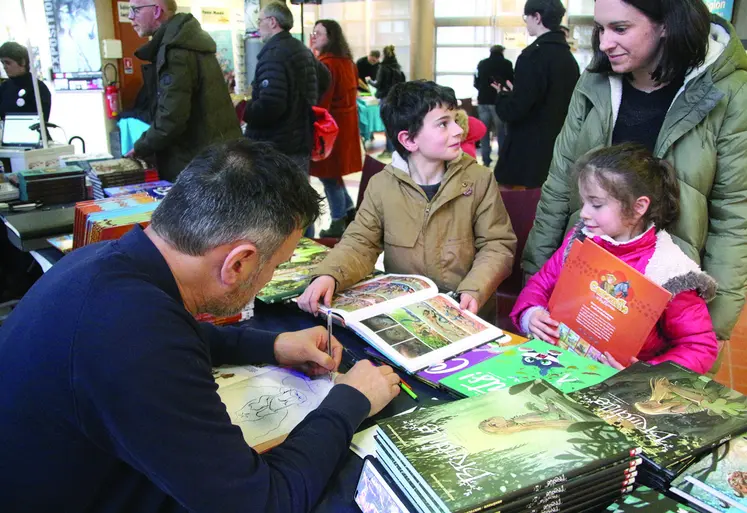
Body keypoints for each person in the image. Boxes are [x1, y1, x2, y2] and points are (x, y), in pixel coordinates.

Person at [0, 139, 401, 512]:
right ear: (239, 263)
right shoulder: (137, 340)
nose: (270, 277)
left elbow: (180, 333)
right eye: (275, 266)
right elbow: (263, 503)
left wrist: (274, 346)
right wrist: (351, 399)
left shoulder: (105, 263)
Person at [523, 0, 747, 357]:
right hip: (586, 280)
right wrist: (536, 282)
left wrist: (714, 327)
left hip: (668, 301)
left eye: (620, 29)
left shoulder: (730, 91)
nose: (604, 43)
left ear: (666, 25)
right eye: (600, 28)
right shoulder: (593, 83)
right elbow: (559, 185)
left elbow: (735, 215)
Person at [297, 81, 517, 320]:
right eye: (443, 124)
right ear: (409, 140)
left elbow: (497, 245)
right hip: (406, 314)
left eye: (454, 119)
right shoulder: (382, 186)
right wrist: (330, 275)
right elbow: (360, 243)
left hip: (466, 313)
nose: (458, 130)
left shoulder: (478, 179)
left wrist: (473, 289)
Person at [511, 144, 718, 374]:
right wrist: (530, 314)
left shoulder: (669, 271)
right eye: (583, 202)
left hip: (617, 392)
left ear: (639, 206)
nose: (584, 213)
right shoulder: (581, 239)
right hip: (557, 365)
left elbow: (699, 346)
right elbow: (541, 283)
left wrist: (645, 374)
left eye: (596, 204)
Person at [124, 0, 240, 182]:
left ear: (156, 11)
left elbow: (171, 118)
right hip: (215, 157)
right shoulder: (187, 41)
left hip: (197, 164)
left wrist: (140, 147)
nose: (130, 16)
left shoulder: (175, 50)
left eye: (135, 10)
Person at [492, 0, 579, 188]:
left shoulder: (532, 56)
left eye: (526, 18)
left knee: (517, 208)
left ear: (537, 17)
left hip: (528, 151)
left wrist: (503, 96)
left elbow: (517, 109)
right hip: (559, 148)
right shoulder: (569, 59)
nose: (526, 22)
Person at [244, 1, 330, 184]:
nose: (257, 26)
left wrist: (244, 109)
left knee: (279, 204)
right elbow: (325, 78)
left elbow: (271, 105)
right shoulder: (301, 49)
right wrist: (303, 106)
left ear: (272, 22)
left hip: (276, 147)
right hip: (300, 140)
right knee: (298, 201)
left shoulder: (274, 55)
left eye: (259, 21)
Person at [310, 20, 363, 238]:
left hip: (329, 128)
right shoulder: (348, 62)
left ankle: (338, 219)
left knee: (328, 175)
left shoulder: (326, 64)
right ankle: (350, 211)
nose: (314, 36)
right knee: (336, 174)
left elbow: (323, 101)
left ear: (330, 37)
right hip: (346, 126)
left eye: (319, 33)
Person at [473, 45, 513, 166]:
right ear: (502, 52)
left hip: (483, 100)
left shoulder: (482, 64)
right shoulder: (507, 64)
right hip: (498, 101)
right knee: (501, 131)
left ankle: (485, 159)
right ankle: (502, 160)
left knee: (484, 131)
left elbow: (476, 81)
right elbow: (511, 81)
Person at [369, 45, 406, 158]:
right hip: (396, 99)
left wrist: (370, 81)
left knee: (387, 125)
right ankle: (396, 149)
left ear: (383, 55)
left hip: (385, 98)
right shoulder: (398, 68)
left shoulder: (383, 68)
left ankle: (389, 150)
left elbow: (379, 84)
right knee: (394, 125)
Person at [0, 41, 51, 121]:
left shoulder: (38, 88)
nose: (4, 67)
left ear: (22, 62)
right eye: (3, 63)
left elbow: (42, 121)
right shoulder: (4, 87)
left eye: (8, 63)